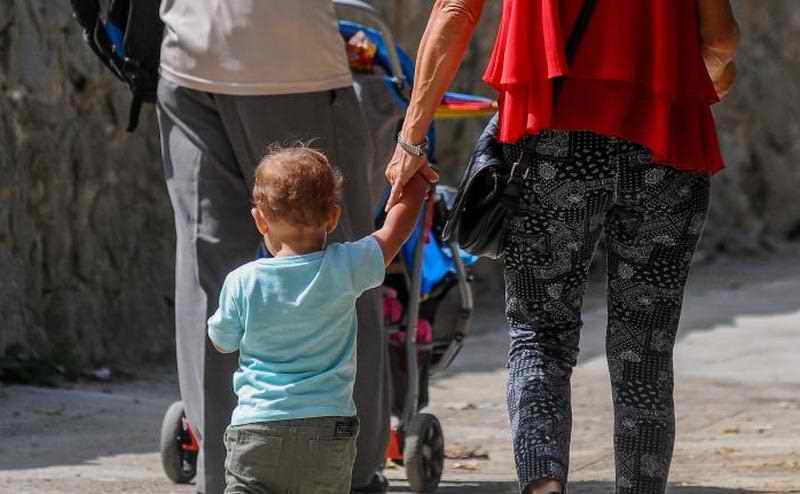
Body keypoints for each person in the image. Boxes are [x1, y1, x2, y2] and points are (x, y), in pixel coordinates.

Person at [384, 1, 739, 493]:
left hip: (552, 140)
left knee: (540, 336)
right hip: (664, 142)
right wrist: (703, 72)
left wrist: (412, 138)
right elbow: (719, 41)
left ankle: (543, 485)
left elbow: (455, 11)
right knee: (644, 352)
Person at [156, 2, 391, 492]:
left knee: (210, 268)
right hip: (292, 56)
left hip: (190, 50)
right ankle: (348, 474)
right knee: (337, 265)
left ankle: (224, 475)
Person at [207, 146, 428, 494]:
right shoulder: (346, 266)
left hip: (258, 425)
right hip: (328, 427)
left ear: (260, 220)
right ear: (334, 216)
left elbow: (223, 341)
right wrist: (415, 182)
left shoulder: (242, 281)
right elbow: (395, 232)